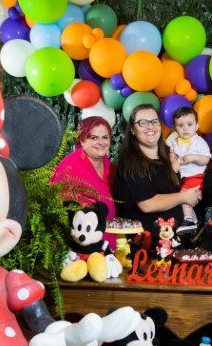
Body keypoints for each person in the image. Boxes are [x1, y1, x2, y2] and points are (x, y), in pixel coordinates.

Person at [114, 104, 202, 234]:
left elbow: (185, 186)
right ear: (132, 129)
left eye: (154, 121)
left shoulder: (172, 155)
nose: (150, 126)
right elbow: (147, 204)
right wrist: (184, 197)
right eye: (143, 123)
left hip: (178, 238)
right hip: (146, 241)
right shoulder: (129, 163)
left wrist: (194, 193)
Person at [51, 115, 116, 248]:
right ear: (82, 139)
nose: (101, 142)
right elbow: (58, 210)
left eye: (105, 137)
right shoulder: (70, 166)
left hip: (109, 245)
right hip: (81, 247)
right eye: (94, 138)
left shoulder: (108, 164)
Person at [166, 106, 211, 233]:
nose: (185, 128)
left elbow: (206, 159)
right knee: (180, 197)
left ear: (197, 126)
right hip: (183, 177)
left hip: (196, 176)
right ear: (175, 128)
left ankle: (188, 220)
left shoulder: (199, 142)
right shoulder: (175, 142)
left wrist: (194, 158)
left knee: (184, 195)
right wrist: (173, 161)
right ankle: (195, 222)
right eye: (180, 125)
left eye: (189, 124)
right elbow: (172, 155)